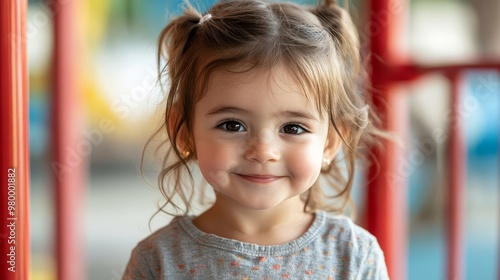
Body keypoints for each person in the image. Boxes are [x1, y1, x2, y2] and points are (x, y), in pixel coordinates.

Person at [123, 0, 390, 279]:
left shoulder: (354, 254)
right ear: (184, 131)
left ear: (330, 143)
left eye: (293, 128)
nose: (263, 151)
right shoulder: (158, 259)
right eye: (232, 125)